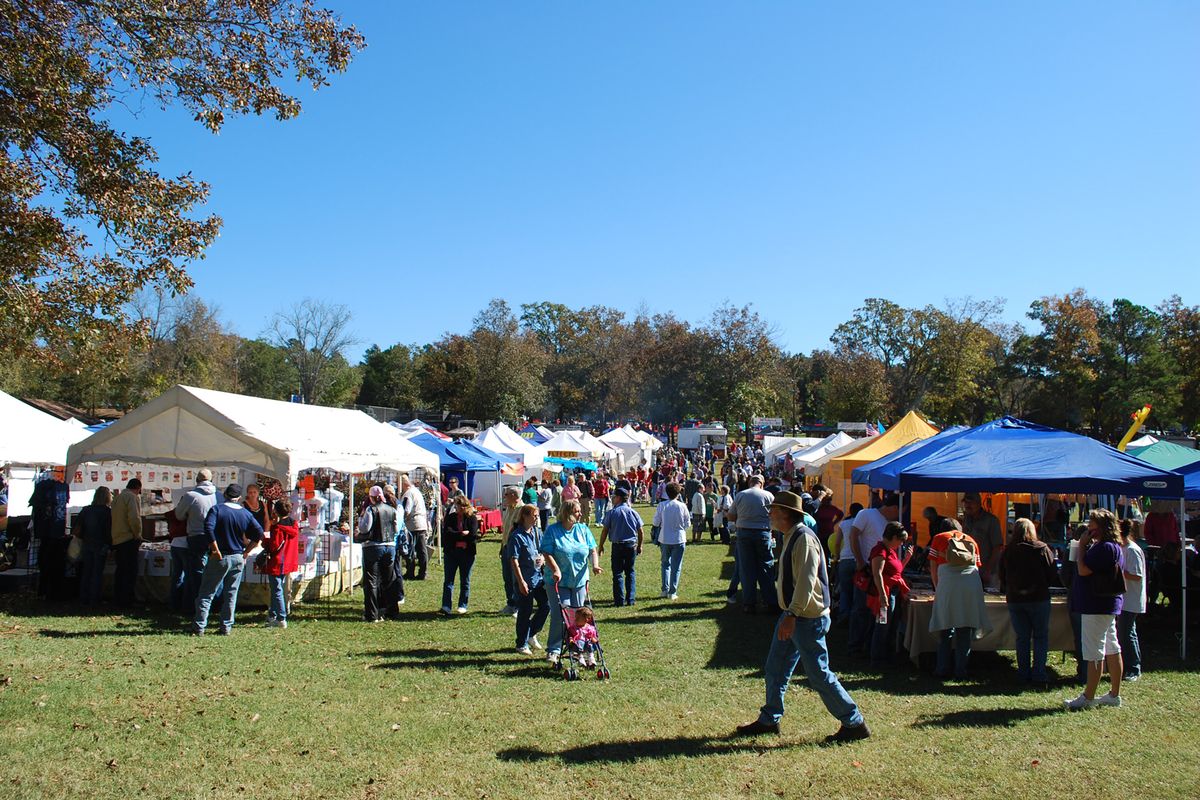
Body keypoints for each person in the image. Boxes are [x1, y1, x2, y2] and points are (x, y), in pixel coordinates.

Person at [735, 491, 869, 743]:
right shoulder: (791, 536)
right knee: (776, 668)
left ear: (785, 513)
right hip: (795, 615)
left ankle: (854, 722)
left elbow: (806, 583)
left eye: (773, 510)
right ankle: (769, 718)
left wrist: (792, 614)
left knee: (818, 673)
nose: (769, 515)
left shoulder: (803, 539)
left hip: (805, 618)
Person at [1064, 509, 1126, 709]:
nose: (1088, 527)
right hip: (1108, 605)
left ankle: (1088, 697)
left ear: (1101, 526)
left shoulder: (1103, 548)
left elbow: (1083, 570)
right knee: (1112, 647)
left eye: (1091, 524)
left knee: (1094, 651)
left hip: (1096, 605)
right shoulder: (1115, 546)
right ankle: (1113, 694)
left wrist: (1082, 546)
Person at [191, 483, 263, 636]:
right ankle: (226, 627)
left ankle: (199, 626)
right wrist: (246, 552)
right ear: (239, 498)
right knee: (231, 593)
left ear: (225, 495)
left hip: (221, 556)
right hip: (238, 557)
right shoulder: (245, 513)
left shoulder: (217, 509)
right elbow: (259, 533)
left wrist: (214, 549)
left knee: (207, 592)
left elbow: (208, 528)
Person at [927, 517, 991, 679]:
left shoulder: (939, 538)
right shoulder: (971, 540)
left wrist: (937, 588)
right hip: (970, 585)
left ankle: (942, 669)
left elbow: (933, 567)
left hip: (948, 584)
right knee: (965, 628)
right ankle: (961, 670)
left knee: (946, 628)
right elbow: (977, 567)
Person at [539, 499, 600, 665]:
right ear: (567, 513)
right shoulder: (553, 530)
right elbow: (546, 552)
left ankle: (576, 648)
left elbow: (592, 550)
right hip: (558, 581)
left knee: (579, 617)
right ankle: (554, 649)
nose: (580, 513)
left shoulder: (583, 529)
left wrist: (595, 565)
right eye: (577, 511)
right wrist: (555, 569)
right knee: (561, 614)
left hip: (579, 580)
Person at [998, 517, 1058, 686]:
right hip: (1039, 598)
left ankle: (1023, 673)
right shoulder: (1042, 549)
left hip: (1016, 600)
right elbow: (1052, 574)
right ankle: (1039, 672)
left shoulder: (1008, 551)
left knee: (1022, 638)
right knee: (1040, 636)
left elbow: (1002, 576)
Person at [848, 495, 899, 655]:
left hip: (882, 577)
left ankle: (870, 647)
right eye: (898, 512)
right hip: (868, 572)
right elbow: (853, 535)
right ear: (894, 508)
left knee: (874, 613)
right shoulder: (866, 514)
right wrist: (860, 560)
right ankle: (856, 646)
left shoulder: (888, 524)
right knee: (861, 610)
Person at [727, 474, 775, 613]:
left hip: (744, 532)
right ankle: (770, 602)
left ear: (750, 482)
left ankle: (749, 604)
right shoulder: (768, 495)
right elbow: (774, 515)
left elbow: (731, 515)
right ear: (762, 483)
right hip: (763, 532)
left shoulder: (741, 495)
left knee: (746, 568)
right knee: (766, 567)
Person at [867, 522, 911, 667]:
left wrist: (906, 559)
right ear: (893, 537)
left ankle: (888, 657)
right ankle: (877, 659)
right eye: (900, 540)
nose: (900, 544)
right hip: (885, 593)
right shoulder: (880, 550)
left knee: (892, 626)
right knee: (882, 626)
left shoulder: (890, 550)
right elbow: (877, 573)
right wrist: (883, 595)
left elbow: (895, 572)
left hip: (893, 593)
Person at [175, 469, 219, 610]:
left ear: (197, 480)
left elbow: (179, 515)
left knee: (196, 572)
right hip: (215, 537)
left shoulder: (191, 495)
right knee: (214, 572)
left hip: (196, 536)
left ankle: (197, 605)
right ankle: (214, 604)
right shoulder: (218, 496)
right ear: (211, 480)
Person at [356, 485, 400, 622]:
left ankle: (372, 614)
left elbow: (365, 528)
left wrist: (359, 520)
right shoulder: (393, 510)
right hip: (390, 546)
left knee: (372, 581)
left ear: (371, 497)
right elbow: (396, 528)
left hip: (374, 546)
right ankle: (391, 611)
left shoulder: (371, 509)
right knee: (389, 580)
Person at [508, 504, 548, 655]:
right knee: (525, 611)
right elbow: (514, 560)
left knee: (547, 604)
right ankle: (521, 643)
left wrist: (543, 558)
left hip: (538, 578)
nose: (537, 517)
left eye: (537, 515)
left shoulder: (537, 532)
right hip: (525, 579)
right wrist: (520, 582)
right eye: (534, 515)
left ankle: (531, 633)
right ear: (525, 516)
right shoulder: (517, 536)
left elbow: (542, 550)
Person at [597, 486, 643, 606]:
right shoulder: (633, 512)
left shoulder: (612, 513)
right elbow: (641, 531)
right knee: (630, 572)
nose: (612, 499)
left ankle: (619, 600)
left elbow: (605, 530)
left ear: (618, 498)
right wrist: (640, 545)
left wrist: (601, 545)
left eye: (613, 497)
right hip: (631, 545)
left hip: (617, 546)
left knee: (617, 573)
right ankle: (631, 599)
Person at [30, 471, 70, 600]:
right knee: (54, 564)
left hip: (46, 534)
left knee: (46, 563)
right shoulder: (57, 490)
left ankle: (45, 591)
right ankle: (52, 592)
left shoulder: (43, 490)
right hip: (55, 534)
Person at [262, 499, 299, 628]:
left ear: (276, 511)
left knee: (276, 590)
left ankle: (281, 617)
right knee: (277, 588)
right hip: (288, 561)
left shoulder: (277, 528)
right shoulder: (294, 524)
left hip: (277, 561)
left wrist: (265, 542)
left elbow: (273, 546)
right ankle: (273, 614)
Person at [441, 495, 480, 614]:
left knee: (465, 580)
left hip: (467, 554)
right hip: (451, 552)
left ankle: (463, 604)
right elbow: (447, 533)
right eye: (456, 506)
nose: (457, 508)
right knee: (449, 580)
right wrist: (461, 534)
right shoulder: (451, 517)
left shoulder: (472, 518)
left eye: (459, 506)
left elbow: (473, 535)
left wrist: (460, 535)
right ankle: (446, 605)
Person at [1119, 519, 1146, 681]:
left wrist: (1118, 571)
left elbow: (1136, 575)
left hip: (1131, 599)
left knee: (1127, 634)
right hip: (1124, 599)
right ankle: (1129, 666)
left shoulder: (1132, 550)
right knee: (1127, 632)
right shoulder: (1123, 548)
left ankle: (1134, 668)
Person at [76, 487, 113, 606]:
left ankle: (83, 598)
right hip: (100, 544)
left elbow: (78, 527)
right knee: (97, 573)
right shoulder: (107, 512)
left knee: (87, 572)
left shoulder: (86, 510)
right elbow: (108, 531)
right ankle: (94, 599)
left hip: (87, 543)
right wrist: (110, 545)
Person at [110, 478, 143, 608]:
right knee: (130, 571)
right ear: (138, 488)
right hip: (128, 539)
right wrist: (137, 535)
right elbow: (134, 518)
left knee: (120, 571)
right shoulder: (132, 497)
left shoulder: (117, 498)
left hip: (117, 538)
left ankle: (119, 598)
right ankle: (127, 600)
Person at [653, 482, 689, 600]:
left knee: (665, 564)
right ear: (678, 493)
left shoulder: (662, 505)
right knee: (676, 566)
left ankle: (665, 589)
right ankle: (672, 592)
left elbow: (655, 522)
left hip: (664, 538)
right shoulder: (682, 506)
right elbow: (687, 523)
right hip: (678, 538)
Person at [961, 491, 1004, 588]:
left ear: (979, 503)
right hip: (970, 569)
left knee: (989, 601)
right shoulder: (966, 519)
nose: (967, 505)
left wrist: (988, 569)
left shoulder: (991, 521)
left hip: (987, 571)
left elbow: (998, 547)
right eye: (966, 503)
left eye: (970, 502)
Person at [832, 503, 864, 622]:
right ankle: (855, 618)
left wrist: (836, 556)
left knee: (845, 590)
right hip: (859, 559)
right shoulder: (863, 523)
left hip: (845, 559)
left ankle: (844, 615)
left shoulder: (844, 524)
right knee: (858, 591)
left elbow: (837, 542)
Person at [498, 486, 523, 615]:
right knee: (507, 577)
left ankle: (518, 606)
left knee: (515, 578)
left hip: (516, 550)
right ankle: (510, 603)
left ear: (514, 495)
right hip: (506, 547)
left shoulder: (522, 510)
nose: (504, 497)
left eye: (506, 494)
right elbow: (506, 530)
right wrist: (502, 547)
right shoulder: (508, 509)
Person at [400, 474, 430, 581]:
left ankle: (410, 572)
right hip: (421, 523)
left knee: (411, 549)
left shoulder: (408, 494)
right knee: (422, 550)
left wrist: (401, 519)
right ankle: (423, 572)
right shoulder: (416, 491)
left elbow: (407, 510)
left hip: (413, 524)